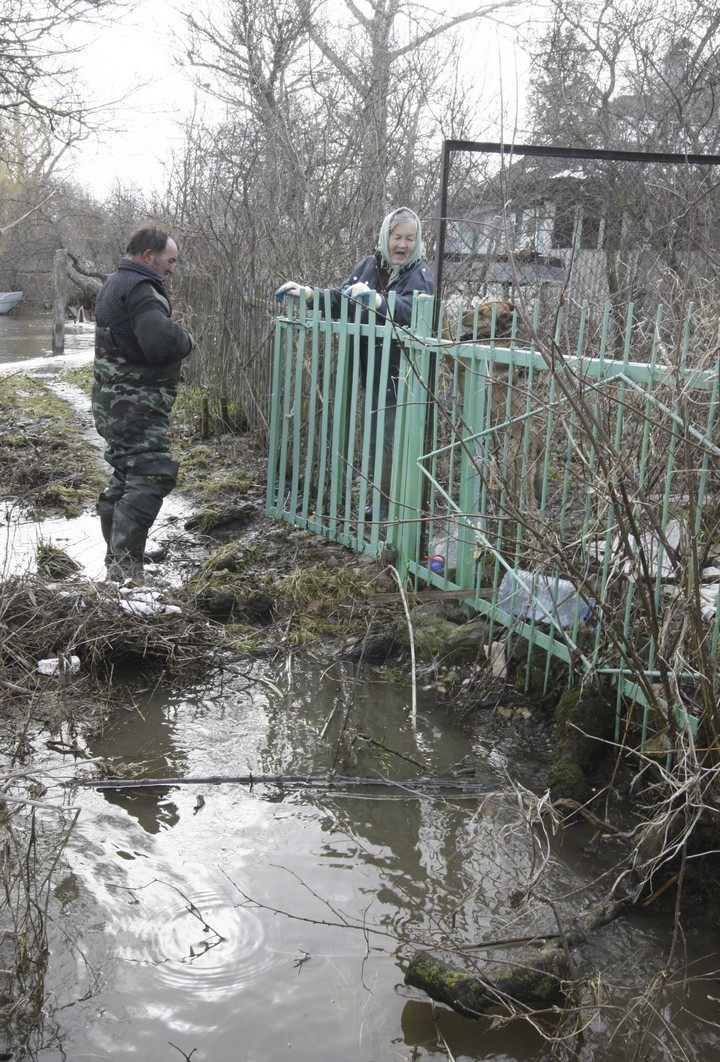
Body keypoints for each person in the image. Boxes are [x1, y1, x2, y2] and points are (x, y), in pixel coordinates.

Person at [276, 206, 434, 516]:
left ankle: (391, 509)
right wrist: (309, 294)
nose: (403, 245)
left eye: (410, 239)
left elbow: (414, 310)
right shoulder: (369, 266)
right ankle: (384, 502)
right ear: (385, 236)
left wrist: (380, 301)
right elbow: (342, 299)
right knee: (377, 440)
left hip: (403, 374)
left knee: (391, 444)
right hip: (372, 370)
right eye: (397, 237)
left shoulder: (421, 274)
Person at [92, 225, 194, 584]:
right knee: (152, 473)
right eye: (170, 261)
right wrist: (186, 338)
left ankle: (120, 555)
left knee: (126, 474)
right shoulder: (141, 289)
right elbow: (160, 343)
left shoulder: (115, 283)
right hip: (134, 403)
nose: (172, 268)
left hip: (112, 400)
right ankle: (127, 568)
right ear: (149, 257)